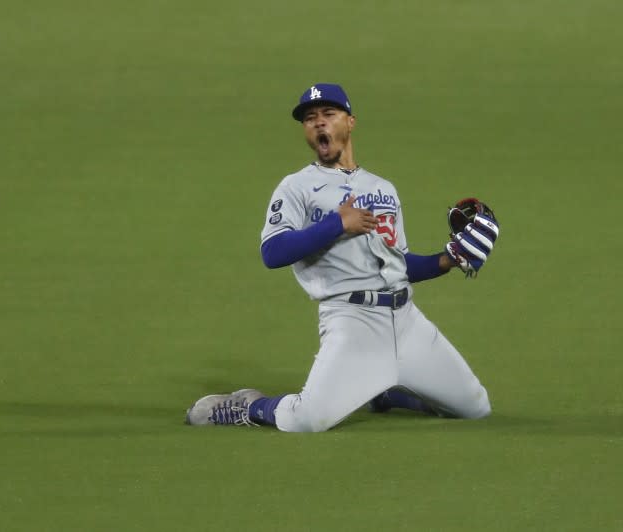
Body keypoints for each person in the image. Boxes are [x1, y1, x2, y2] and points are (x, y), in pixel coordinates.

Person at [185, 83, 498, 432]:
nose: (319, 123)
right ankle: (248, 406)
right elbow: (272, 252)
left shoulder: (383, 189)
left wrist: (449, 258)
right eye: (310, 119)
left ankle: (386, 392)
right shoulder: (296, 187)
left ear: (350, 123)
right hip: (351, 321)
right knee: (307, 421)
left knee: (476, 408)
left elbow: (399, 266)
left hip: (408, 322)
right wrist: (337, 223)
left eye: (328, 115)